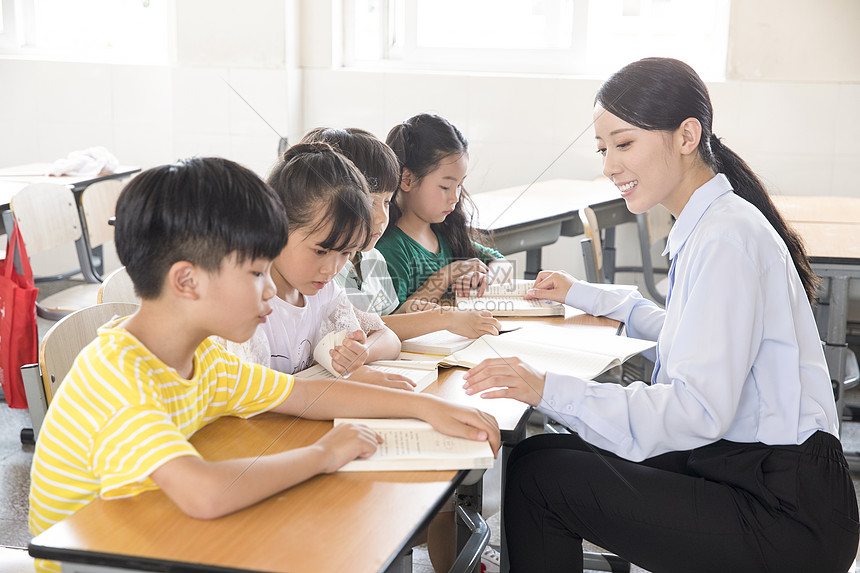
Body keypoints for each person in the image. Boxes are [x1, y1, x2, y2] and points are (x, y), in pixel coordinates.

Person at [462, 57, 859, 573]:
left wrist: (546, 388)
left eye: (624, 144)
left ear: (687, 135)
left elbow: (698, 410)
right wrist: (587, 296)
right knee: (540, 457)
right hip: (752, 470)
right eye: (604, 149)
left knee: (544, 480)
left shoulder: (727, 238)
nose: (609, 165)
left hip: (784, 509)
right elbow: (684, 331)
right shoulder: (714, 223)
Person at [28, 157, 501, 573]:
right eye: (256, 274)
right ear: (187, 281)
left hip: (161, 538)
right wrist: (324, 454)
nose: (271, 290)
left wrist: (420, 408)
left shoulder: (204, 357)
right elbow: (207, 494)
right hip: (101, 563)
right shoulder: (118, 373)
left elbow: (306, 394)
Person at [303, 126, 501, 341]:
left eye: (387, 202)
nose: (381, 218)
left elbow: (388, 318)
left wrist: (418, 309)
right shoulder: (326, 270)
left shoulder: (372, 258)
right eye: (370, 203)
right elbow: (361, 328)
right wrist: (444, 317)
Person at [257, 142, 407, 384]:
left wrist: (360, 353)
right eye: (320, 250)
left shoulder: (323, 291)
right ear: (277, 225)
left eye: (346, 253)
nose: (332, 269)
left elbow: (390, 339)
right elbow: (254, 397)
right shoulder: (247, 303)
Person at [376, 113, 512, 309]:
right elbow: (396, 321)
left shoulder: (446, 233)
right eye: (445, 187)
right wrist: (445, 276)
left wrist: (483, 279)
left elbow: (501, 263)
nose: (455, 198)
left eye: (459, 186)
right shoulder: (392, 248)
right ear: (407, 179)